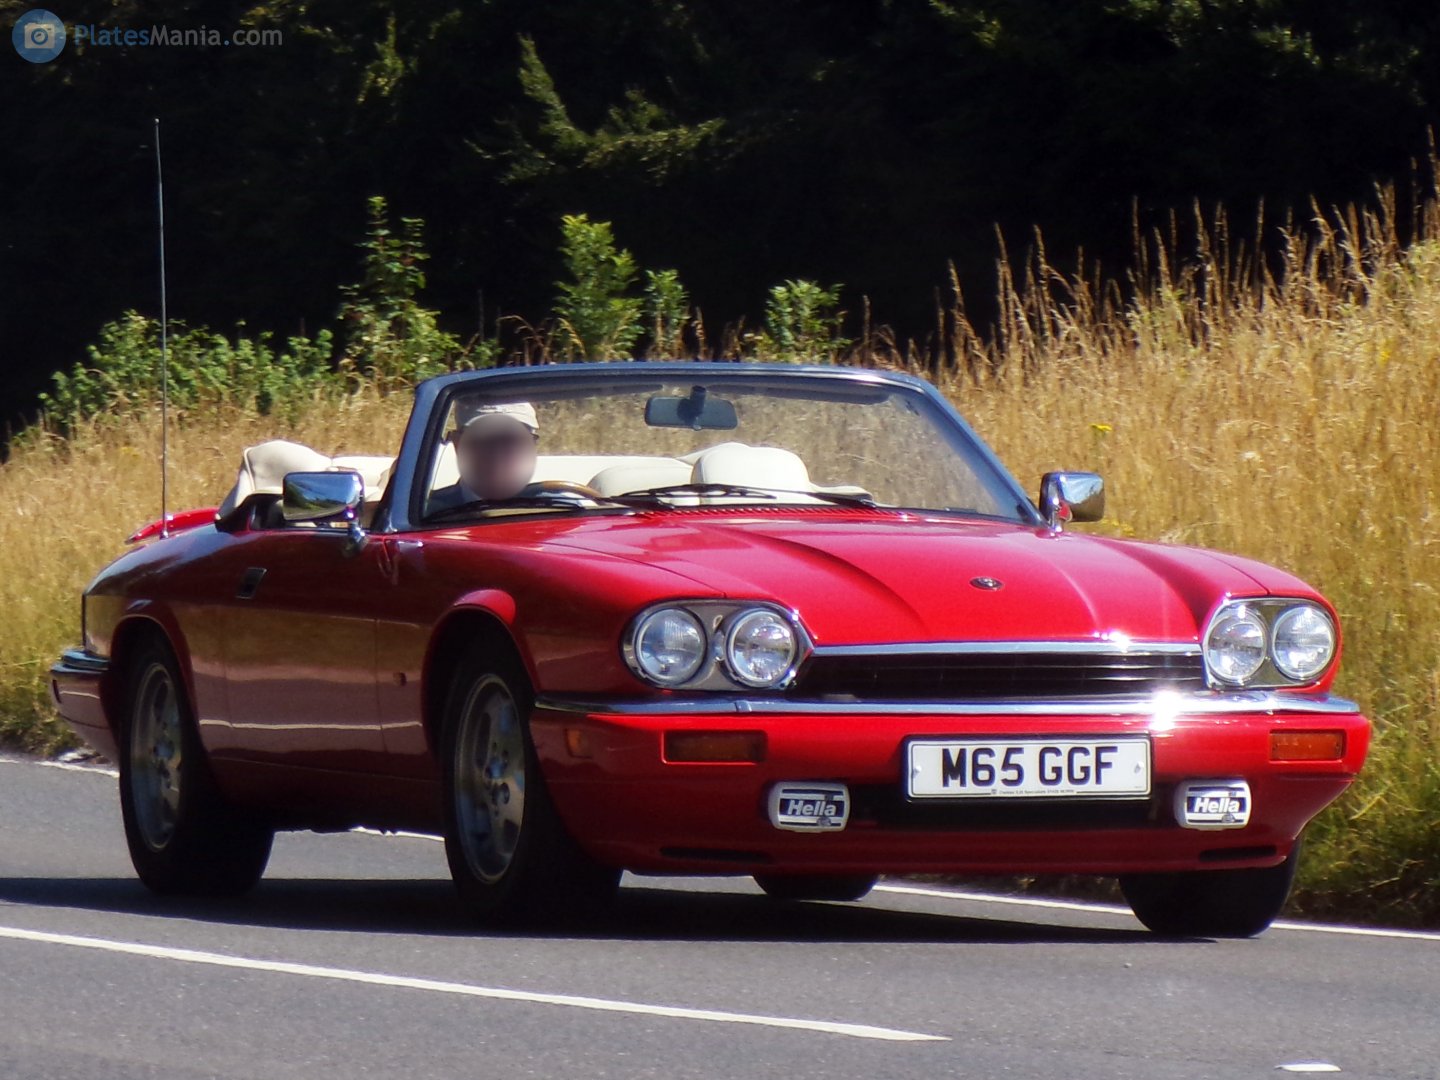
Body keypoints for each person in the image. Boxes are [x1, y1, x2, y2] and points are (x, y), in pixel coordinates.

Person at [427, 400, 540, 514]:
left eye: (513, 440)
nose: (498, 453)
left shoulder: (549, 511)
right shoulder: (429, 513)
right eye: (486, 439)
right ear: (457, 444)